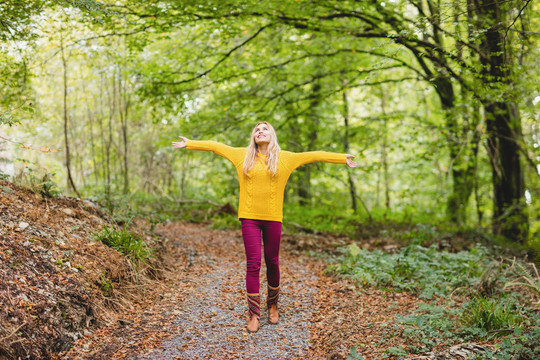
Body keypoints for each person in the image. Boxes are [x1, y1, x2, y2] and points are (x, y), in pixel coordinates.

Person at [172, 122, 357, 333]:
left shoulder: (284, 158)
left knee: (272, 261)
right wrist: (190, 144)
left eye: (265, 129)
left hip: (273, 218)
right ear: (254, 137)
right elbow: (216, 146)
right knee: (253, 264)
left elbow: (314, 155)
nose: (260, 131)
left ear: (272, 135)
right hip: (249, 218)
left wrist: (342, 158)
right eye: (257, 130)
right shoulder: (243, 156)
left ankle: (273, 305)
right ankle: (253, 314)